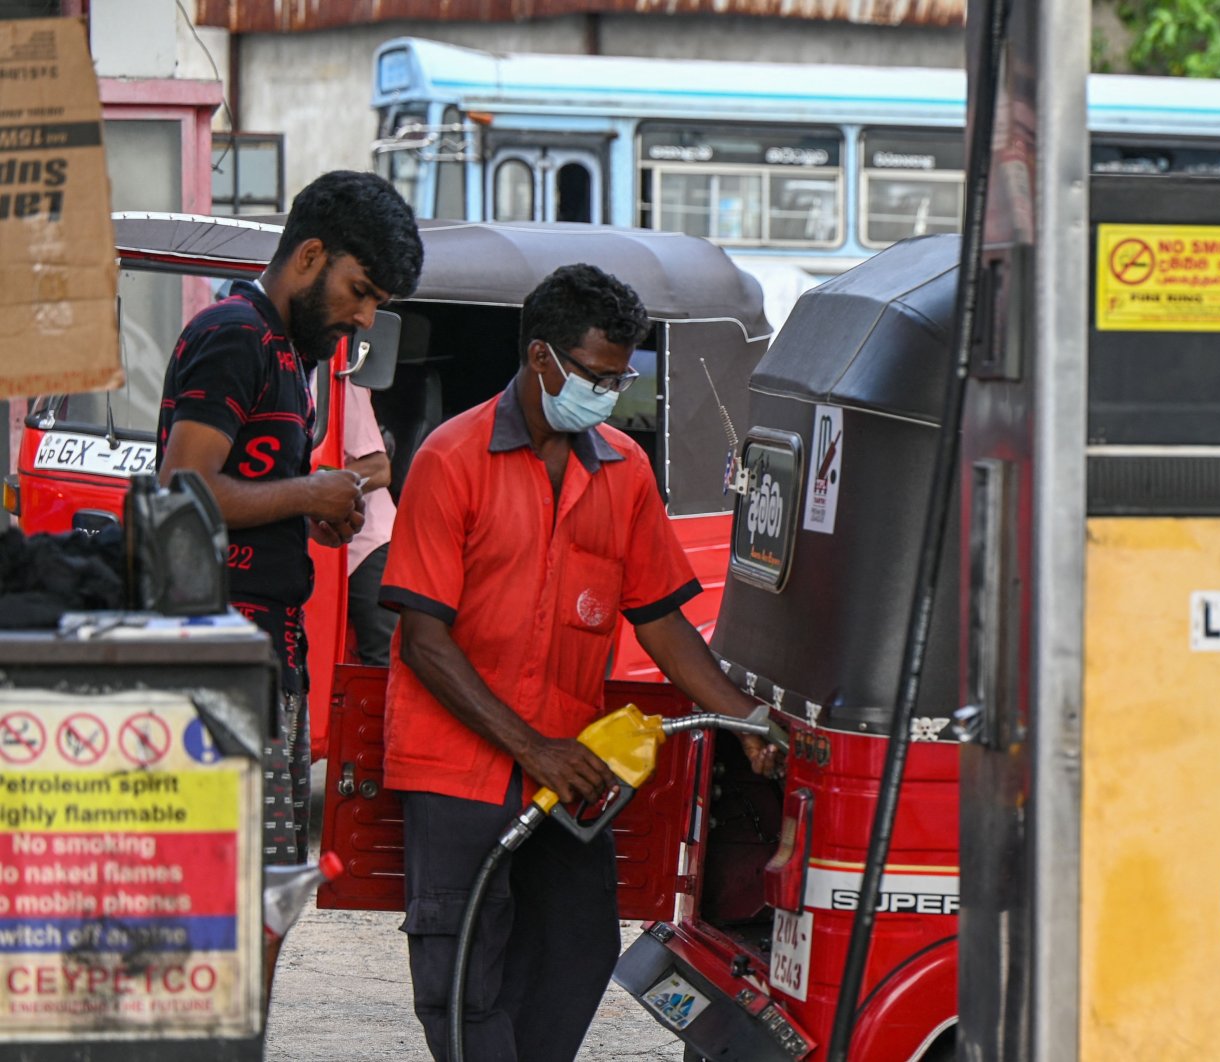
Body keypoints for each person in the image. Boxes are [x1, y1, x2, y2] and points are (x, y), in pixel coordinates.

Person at [379, 263, 780, 1062]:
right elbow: (424, 639)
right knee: (462, 972)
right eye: (596, 375)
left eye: (621, 377)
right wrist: (534, 748)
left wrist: (743, 719)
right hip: (461, 769)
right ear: (541, 359)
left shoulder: (624, 470)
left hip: (570, 770)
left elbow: (662, 621)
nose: (609, 392)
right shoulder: (450, 458)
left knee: (577, 950)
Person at [157, 170, 423, 869]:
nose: (364, 317)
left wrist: (311, 511)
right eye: (360, 292)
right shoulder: (236, 335)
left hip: (266, 654)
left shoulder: (289, 354)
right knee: (236, 894)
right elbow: (184, 491)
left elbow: (244, 490)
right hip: (219, 663)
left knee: (266, 888)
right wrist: (308, 494)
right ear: (309, 256)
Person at [344, 378, 399, 666]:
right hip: (324, 542)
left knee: (381, 664)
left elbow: (378, 469)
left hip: (366, 544)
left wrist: (307, 487)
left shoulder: (341, 381)